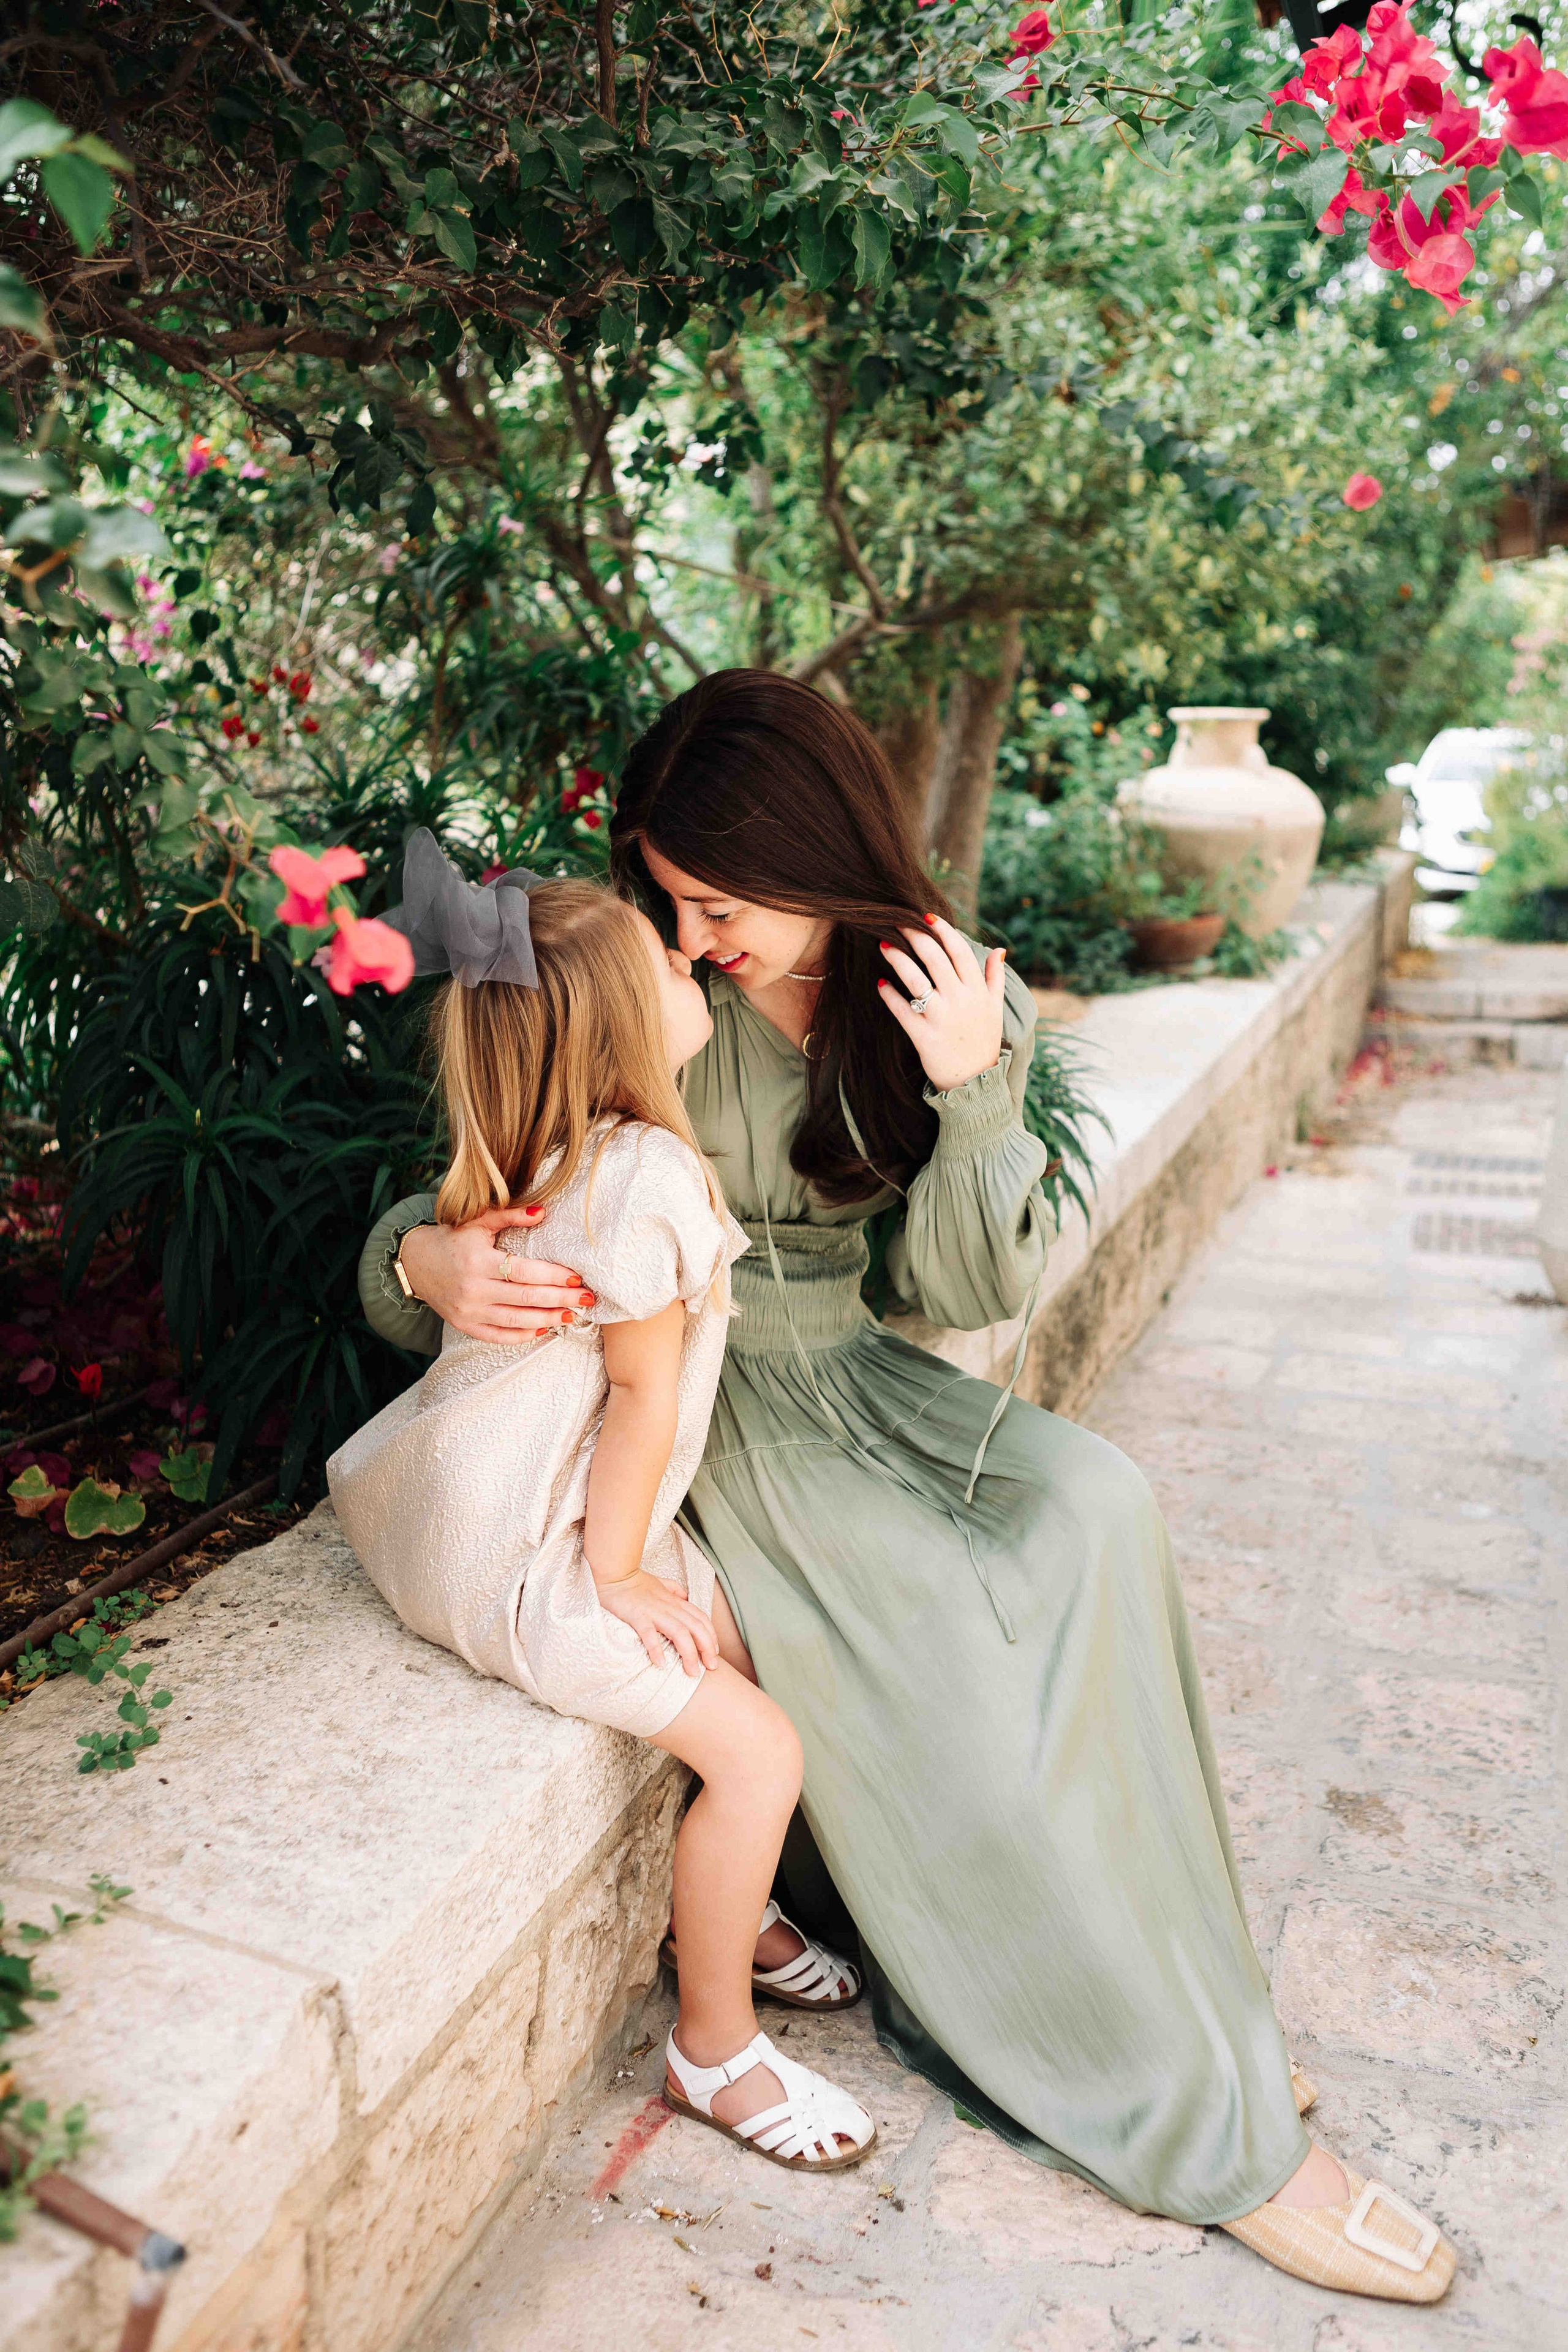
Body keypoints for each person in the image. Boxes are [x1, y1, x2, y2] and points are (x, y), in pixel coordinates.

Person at [358, 680, 1455, 2301]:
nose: (694, 931)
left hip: (858, 1375)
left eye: (720, 901)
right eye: (673, 901)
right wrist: (429, 1258)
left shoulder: (932, 995)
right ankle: (1179, 2095)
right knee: (948, 1607)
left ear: (818, 857)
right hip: (709, 1414)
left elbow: (952, 1284)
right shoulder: (649, 1001)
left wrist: (976, 1086)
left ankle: (1179, 2003)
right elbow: (482, 1187)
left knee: (1096, 1515)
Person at [330, 830, 876, 2174]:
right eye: (659, 956)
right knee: (760, 1751)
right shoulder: (643, 1179)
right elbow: (638, 1402)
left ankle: (727, 1906)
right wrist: (623, 1577)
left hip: (470, 1509)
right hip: (527, 1561)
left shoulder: (539, 1140)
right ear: (634, 1028)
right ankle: (713, 2044)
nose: (688, 954)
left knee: (748, 1652)